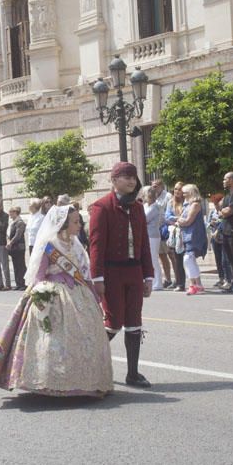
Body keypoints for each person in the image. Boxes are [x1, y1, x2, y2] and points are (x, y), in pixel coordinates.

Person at [0, 205, 113, 397]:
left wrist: (94, 295)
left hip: (78, 293)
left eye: (79, 221)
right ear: (63, 224)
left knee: (86, 335)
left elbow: (84, 273)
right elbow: (39, 275)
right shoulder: (49, 245)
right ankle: (51, 382)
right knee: (51, 339)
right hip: (53, 292)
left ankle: (87, 381)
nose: (79, 225)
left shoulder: (76, 244)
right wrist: (42, 294)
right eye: (75, 222)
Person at [89, 162, 154, 388]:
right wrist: (97, 278)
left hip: (134, 271)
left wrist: (149, 276)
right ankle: (88, 361)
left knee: (134, 322)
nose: (131, 181)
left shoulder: (137, 207)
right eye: (126, 177)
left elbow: (143, 243)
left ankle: (133, 373)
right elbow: (95, 246)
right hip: (112, 272)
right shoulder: (101, 207)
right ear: (114, 180)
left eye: (133, 177)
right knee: (114, 322)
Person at [175, 184, 207, 295]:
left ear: (191, 193)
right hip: (187, 234)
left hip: (194, 235)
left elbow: (188, 221)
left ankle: (194, 284)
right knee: (189, 259)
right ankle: (196, 284)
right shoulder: (187, 205)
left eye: (185, 192)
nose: (183, 194)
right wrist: (180, 220)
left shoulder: (195, 205)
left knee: (188, 258)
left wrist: (179, 221)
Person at [206, 193, 232, 289]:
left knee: (224, 259)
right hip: (215, 238)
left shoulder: (225, 212)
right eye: (215, 204)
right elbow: (207, 224)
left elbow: (224, 222)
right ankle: (221, 278)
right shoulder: (212, 213)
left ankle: (227, 278)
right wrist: (211, 224)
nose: (216, 206)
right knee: (218, 259)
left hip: (223, 237)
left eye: (217, 203)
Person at [151, 179, 173, 288]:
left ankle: (178, 279)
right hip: (157, 229)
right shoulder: (152, 197)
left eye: (155, 186)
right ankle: (168, 279)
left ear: (161, 186)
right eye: (152, 186)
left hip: (166, 229)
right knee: (162, 256)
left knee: (171, 254)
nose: (153, 188)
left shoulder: (168, 196)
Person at [164, 181, 186, 291]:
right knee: (177, 258)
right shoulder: (171, 202)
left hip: (185, 232)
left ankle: (192, 282)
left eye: (179, 189)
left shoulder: (187, 202)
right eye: (175, 189)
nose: (177, 191)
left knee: (186, 259)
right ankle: (179, 283)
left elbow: (187, 216)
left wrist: (178, 219)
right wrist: (177, 219)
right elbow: (167, 216)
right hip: (174, 233)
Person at [142, 187, 163, 291]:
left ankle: (158, 282)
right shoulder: (145, 205)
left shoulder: (155, 207)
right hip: (146, 234)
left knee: (154, 258)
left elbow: (144, 218)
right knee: (149, 259)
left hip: (153, 235)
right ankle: (153, 280)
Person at [7, 206, 27, 290]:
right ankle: (18, 283)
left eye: (11, 212)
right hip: (13, 248)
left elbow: (18, 235)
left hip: (19, 247)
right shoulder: (13, 222)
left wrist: (10, 242)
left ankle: (23, 284)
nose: (10, 214)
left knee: (21, 265)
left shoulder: (20, 222)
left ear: (15, 212)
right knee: (15, 266)